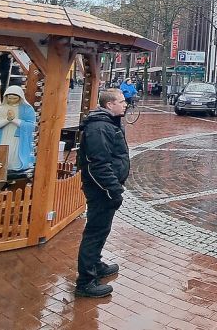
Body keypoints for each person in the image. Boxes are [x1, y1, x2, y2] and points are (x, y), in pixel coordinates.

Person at [75, 88, 130, 298]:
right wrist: (113, 190)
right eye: (121, 101)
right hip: (101, 190)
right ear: (109, 104)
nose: (125, 104)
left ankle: (95, 264)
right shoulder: (99, 128)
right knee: (95, 232)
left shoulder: (109, 124)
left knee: (101, 230)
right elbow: (98, 164)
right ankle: (86, 281)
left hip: (105, 188)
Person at [0, 85, 37, 171]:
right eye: (10, 98)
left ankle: (15, 167)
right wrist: (7, 120)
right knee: (3, 154)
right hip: (3, 136)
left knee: (14, 154)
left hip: (18, 137)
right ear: (6, 97)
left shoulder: (27, 109)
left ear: (20, 97)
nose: (12, 100)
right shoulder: (1, 109)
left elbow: (31, 126)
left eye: (15, 98)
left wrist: (14, 120)